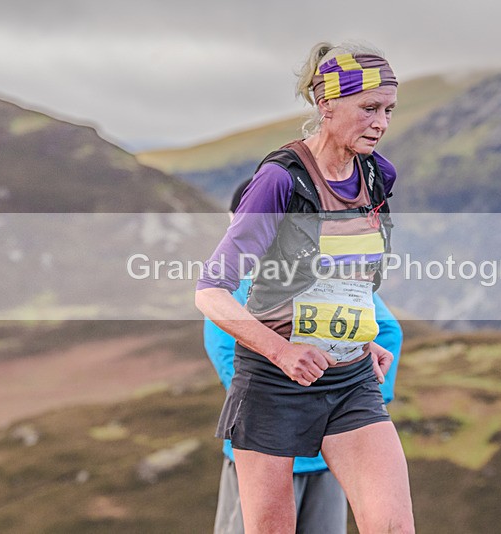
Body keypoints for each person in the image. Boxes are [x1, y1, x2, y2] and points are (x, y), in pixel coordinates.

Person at [196, 41, 414, 533]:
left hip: (350, 380)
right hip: (275, 384)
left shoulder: (379, 176)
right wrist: (280, 351)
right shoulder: (280, 180)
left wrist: (364, 337)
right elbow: (210, 291)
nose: (381, 123)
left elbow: (343, 278)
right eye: (369, 108)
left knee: (393, 527)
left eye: (389, 111)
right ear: (327, 105)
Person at [204, 181, 403, 534]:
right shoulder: (321, 274)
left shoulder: (242, 288)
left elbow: (229, 361)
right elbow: (386, 329)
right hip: (324, 453)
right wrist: (348, 406)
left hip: (276, 449)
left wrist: (353, 404)